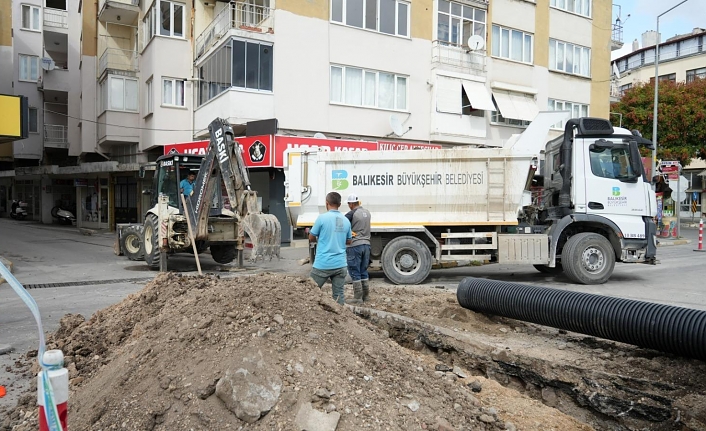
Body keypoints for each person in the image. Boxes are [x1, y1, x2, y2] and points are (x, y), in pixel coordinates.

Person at [309, 192, 352, 305]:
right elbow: (349, 241)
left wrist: (319, 239)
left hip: (323, 264)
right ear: (339, 204)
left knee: (309, 291)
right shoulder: (346, 221)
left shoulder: (322, 218)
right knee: (339, 296)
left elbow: (311, 237)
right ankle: (341, 319)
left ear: (326, 203)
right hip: (340, 264)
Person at [344, 193, 372, 304]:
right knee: (363, 270)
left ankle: (357, 297)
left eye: (349, 204)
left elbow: (342, 223)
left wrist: (349, 233)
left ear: (351, 204)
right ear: (358, 202)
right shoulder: (367, 212)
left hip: (355, 245)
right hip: (367, 245)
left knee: (354, 270)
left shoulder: (352, 213)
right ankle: (366, 296)